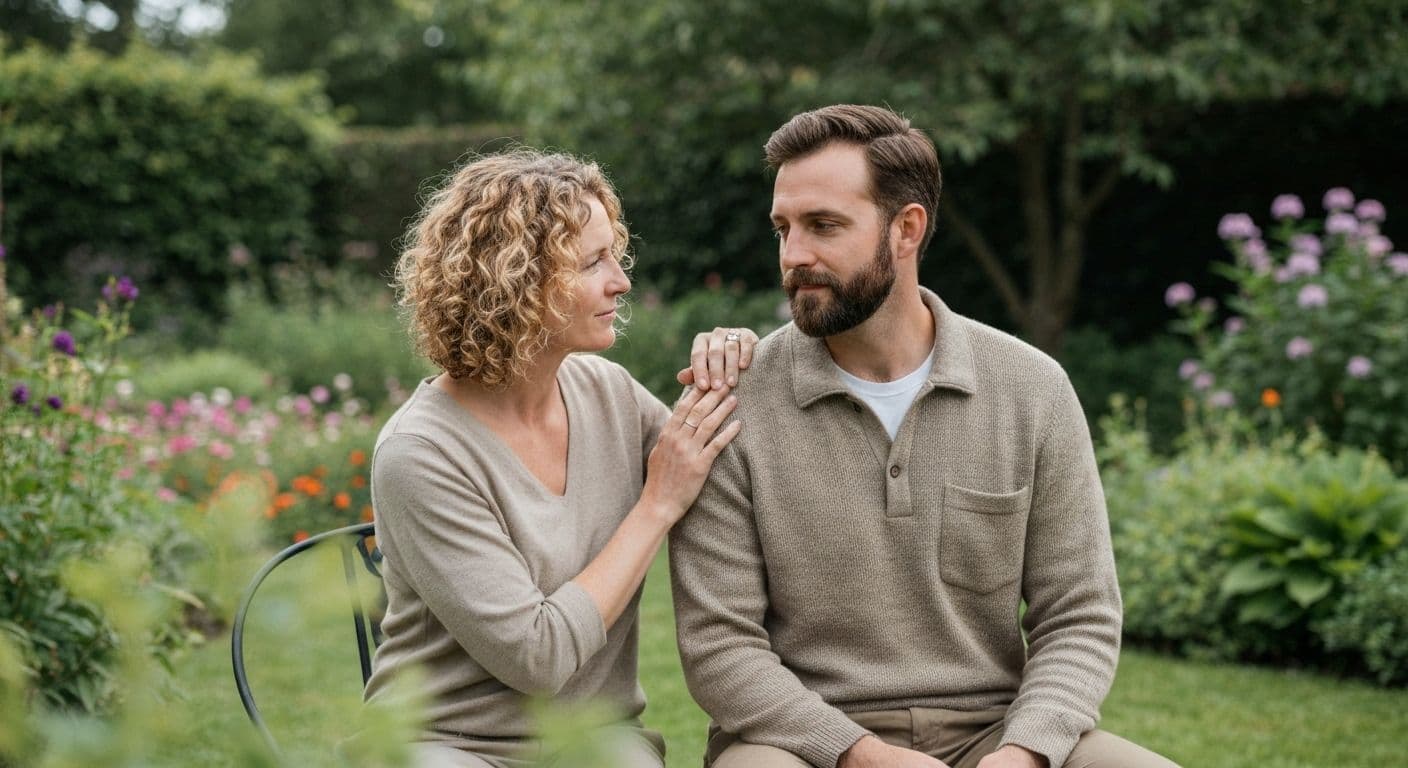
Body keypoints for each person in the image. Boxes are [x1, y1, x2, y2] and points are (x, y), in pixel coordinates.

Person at [669, 105, 1179, 768]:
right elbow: (719, 644)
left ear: (906, 229)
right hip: (800, 744)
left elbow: (1078, 615)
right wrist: (858, 753)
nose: (793, 255)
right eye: (783, 228)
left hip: (994, 734)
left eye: (823, 226)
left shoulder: (1032, 389)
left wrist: (1025, 753)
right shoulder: (733, 402)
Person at [364, 149, 757, 768]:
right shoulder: (419, 454)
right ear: (514, 282)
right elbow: (537, 656)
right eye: (592, 262)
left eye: (615, 256)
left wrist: (739, 362)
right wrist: (655, 505)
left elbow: (732, 467)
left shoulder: (607, 392)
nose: (621, 282)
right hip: (445, 744)